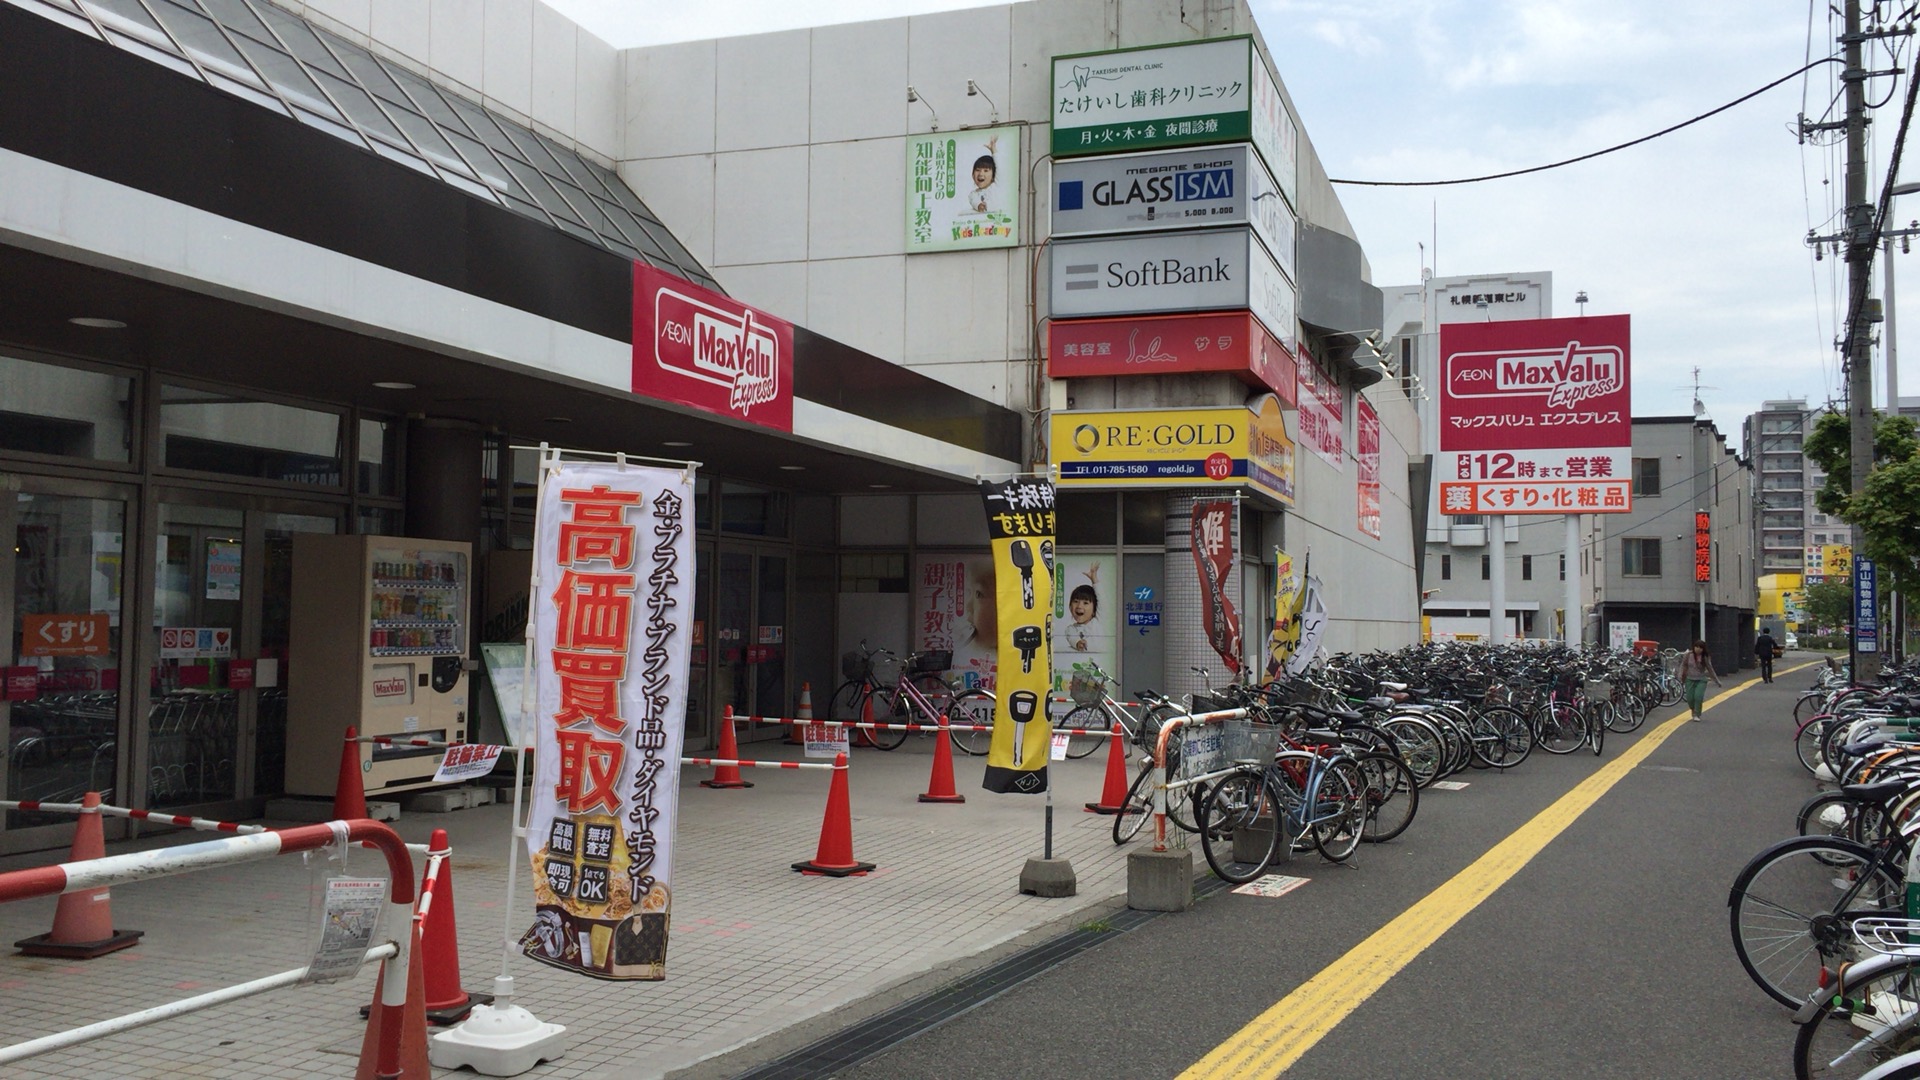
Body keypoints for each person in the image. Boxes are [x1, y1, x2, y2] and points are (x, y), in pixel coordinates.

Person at [1677, 640, 1722, 721]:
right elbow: (1683, 665)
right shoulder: (1688, 655)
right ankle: (1693, 710)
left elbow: (1710, 668)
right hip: (1689, 679)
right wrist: (1680, 675)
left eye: (1700, 648)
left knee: (1698, 697)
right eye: (1696, 647)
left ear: (1703, 649)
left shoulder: (1705, 657)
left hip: (1701, 680)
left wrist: (1717, 681)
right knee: (1690, 698)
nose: (1698, 649)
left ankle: (1697, 714)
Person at [1062, 583, 1105, 653]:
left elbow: (1101, 599)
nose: (1079, 606)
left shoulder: (1098, 622)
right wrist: (1078, 643)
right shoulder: (1070, 629)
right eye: (1076, 601)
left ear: (1094, 609)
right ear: (1070, 607)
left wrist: (1094, 580)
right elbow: (1072, 638)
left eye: (1085, 603)